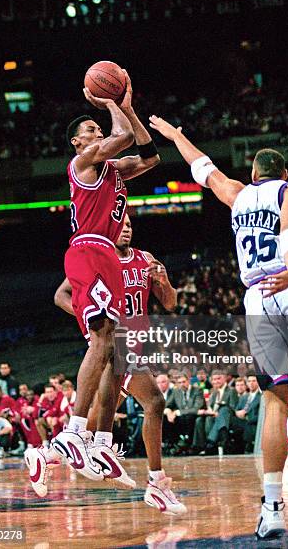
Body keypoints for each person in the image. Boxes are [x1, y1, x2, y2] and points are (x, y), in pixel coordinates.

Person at [149, 115, 288, 538]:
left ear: (252, 174)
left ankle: (272, 507)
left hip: (257, 300)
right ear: (282, 173)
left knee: (275, 401)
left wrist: (176, 135)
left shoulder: (237, 194)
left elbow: (203, 169)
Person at [25, 72, 160, 496]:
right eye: (90, 130)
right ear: (77, 143)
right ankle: (74, 433)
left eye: (97, 127)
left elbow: (151, 156)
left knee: (109, 346)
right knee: (103, 341)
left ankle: (90, 443)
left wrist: (128, 105)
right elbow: (121, 136)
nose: (97, 131)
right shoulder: (82, 163)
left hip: (105, 258)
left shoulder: (113, 169)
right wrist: (110, 102)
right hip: (87, 249)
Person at [53, 215, 186, 514]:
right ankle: (157, 483)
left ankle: (47, 453)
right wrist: (88, 320)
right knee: (154, 401)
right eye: (120, 224)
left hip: (137, 344)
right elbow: (61, 295)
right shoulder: (99, 258)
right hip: (117, 343)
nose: (125, 228)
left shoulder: (145, 258)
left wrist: (163, 281)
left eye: (129, 224)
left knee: (101, 413)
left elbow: (171, 303)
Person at [164, 373, 205, 454]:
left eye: (184, 382)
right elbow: (167, 405)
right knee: (165, 419)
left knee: (188, 417)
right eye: (179, 383)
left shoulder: (198, 390)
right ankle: (174, 444)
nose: (182, 384)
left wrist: (178, 412)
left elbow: (196, 409)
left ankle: (185, 443)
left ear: (188, 381)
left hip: (193, 417)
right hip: (180, 418)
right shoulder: (176, 391)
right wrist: (168, 412)